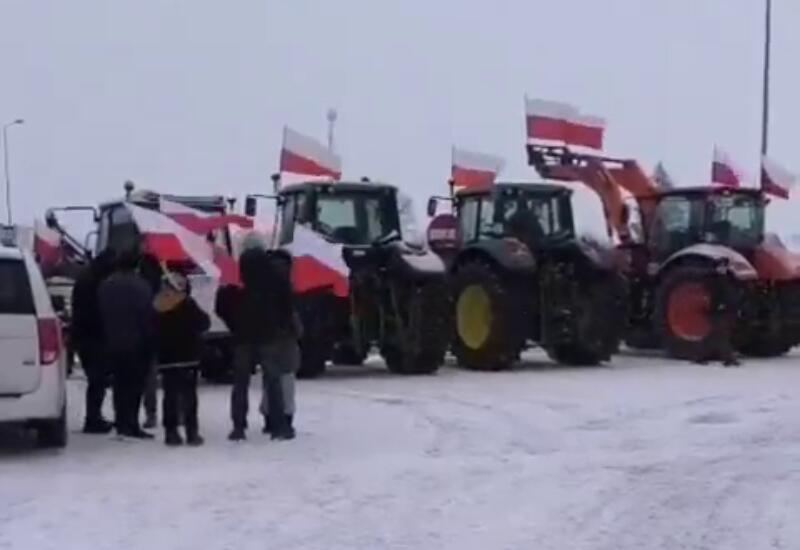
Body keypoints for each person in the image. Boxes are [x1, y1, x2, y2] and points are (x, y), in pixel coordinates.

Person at [216, 233, 300, 442]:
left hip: (243, 335)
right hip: (268, 333)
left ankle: (238, 427)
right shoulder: (276, 274)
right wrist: (281, 324)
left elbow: (221, 305)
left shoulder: (235, 274)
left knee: (240, 382)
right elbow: (286, 305)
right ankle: (279, 427)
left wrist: (234, 323)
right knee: (273, 380)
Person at [98, 249, 156, 439]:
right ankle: (131, 423)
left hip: (111, 341)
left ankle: (121, 421)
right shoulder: (141, 286)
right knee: (135, 385)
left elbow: (100, 313)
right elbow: (147, 316)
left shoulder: (106, 285)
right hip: (136, 343)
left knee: (119, 384)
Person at [154, 269, 210, 446]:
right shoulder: (187, 304)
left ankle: (171, 432)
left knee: (169, 395)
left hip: (167, 358)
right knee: (189, 395)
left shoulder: (158, 305)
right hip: (188, 356)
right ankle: (191, 432)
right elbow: (204, 323)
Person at [71, 249, 117, 434]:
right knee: (97, 379)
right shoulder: (94, 281)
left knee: (96, 380)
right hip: (93, 336)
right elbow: (95, 311)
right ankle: (93, 419)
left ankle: (94, 416)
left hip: (84, 335)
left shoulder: (87, 277)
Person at [139, 254, 163, 429]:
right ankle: (152, 413)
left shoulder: (139, 287)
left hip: (137, 337)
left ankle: (136, 414)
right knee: (151, 378)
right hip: (156, 336)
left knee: (137, 378)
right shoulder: (161, 291)